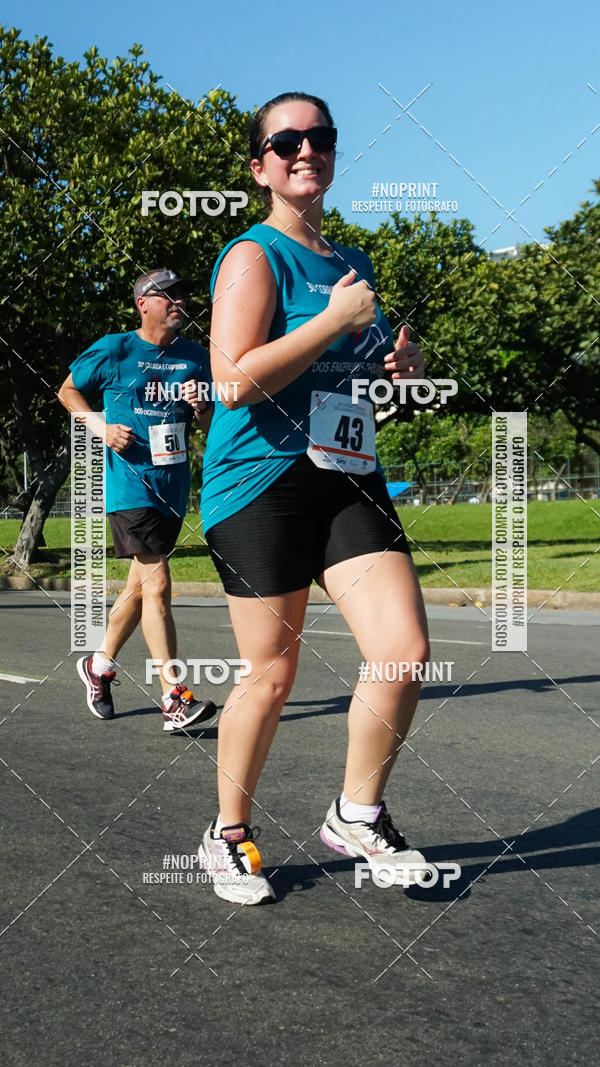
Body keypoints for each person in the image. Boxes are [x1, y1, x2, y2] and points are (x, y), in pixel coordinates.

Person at [196, 93, 431, 904]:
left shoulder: (349, 261)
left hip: (344, 471)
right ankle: (226, 835)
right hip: (260, 482)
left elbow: (348, 372)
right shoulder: (254, 257)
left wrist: (391, 364)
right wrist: (334, 322)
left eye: (320, 138)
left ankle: (357, 812)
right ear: (261, 164)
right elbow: (232, 381)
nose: (307, 150)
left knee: (402, 650)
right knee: (272, 674)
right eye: (285, 140)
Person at [58, 269, 217, 733]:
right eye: (168, 295)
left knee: (137, 590)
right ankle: (174, 698)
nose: (180, 302)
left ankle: (100, 666)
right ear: (142, 303)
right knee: (160, 586)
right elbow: (67, 390)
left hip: (172, 486)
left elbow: (210, 424)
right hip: (129, 486)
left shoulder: (194, 357)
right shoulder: (114, 349)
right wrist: (101, 428)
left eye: (183, 295)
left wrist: (201, 404)